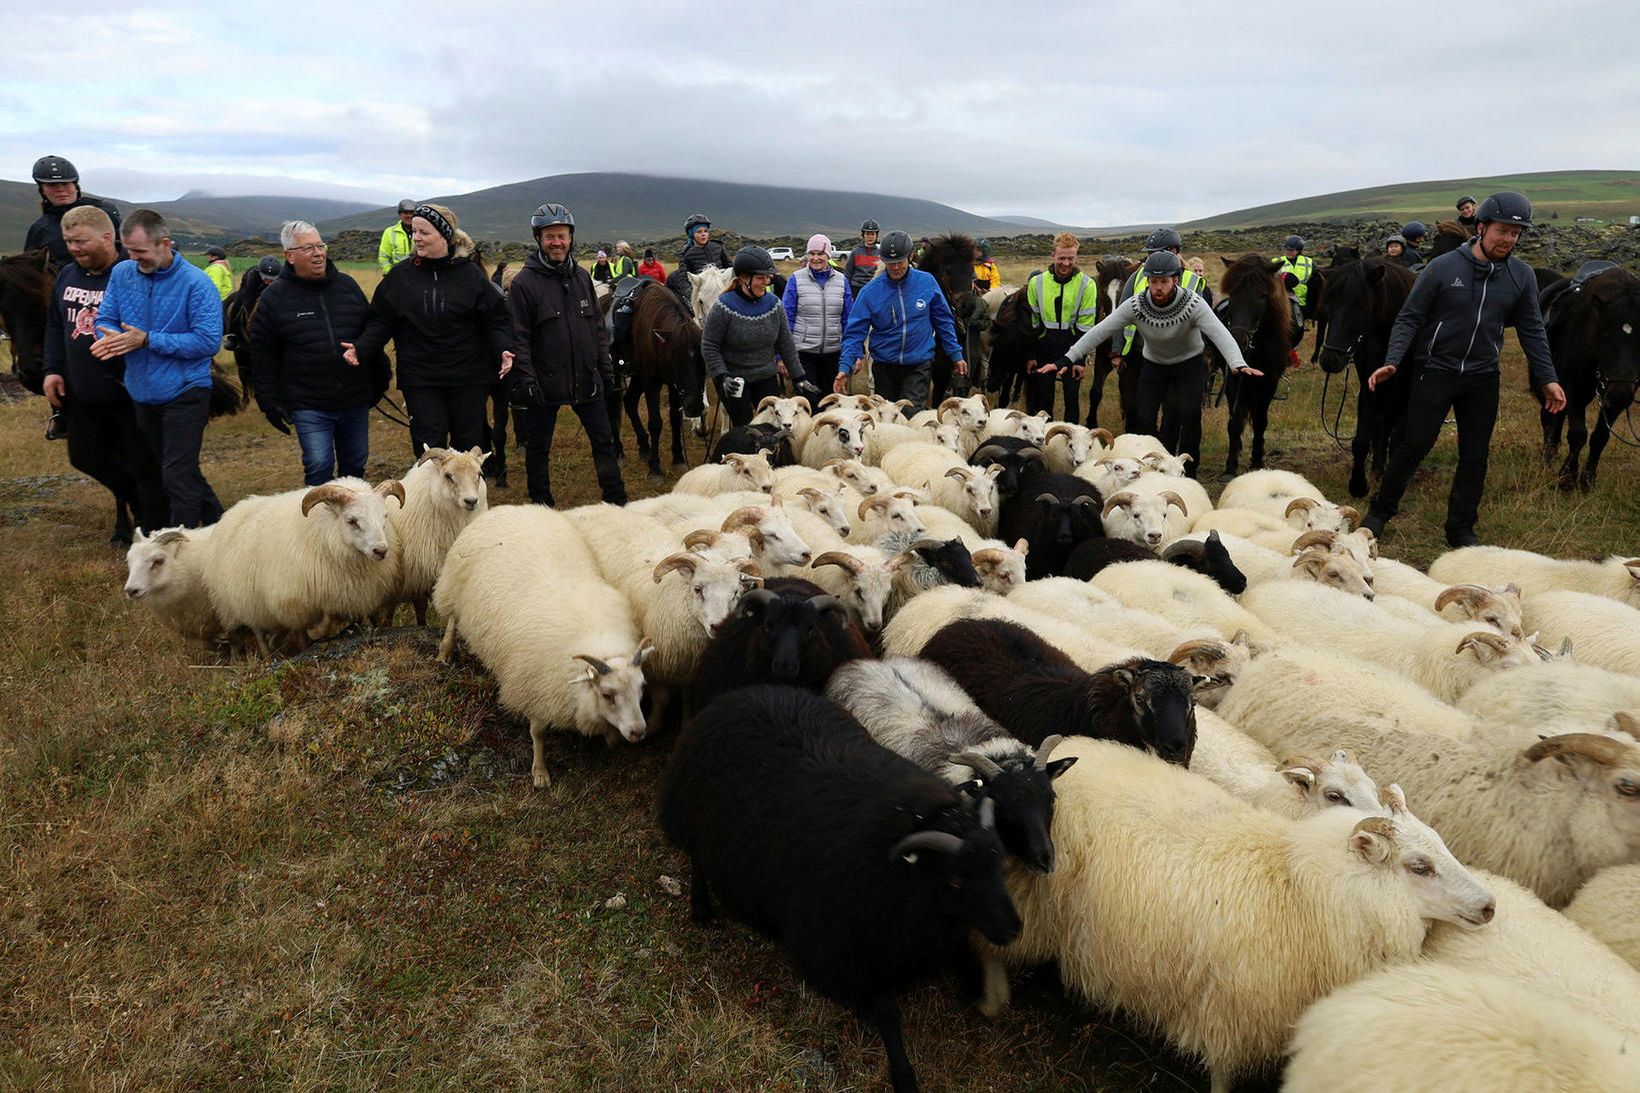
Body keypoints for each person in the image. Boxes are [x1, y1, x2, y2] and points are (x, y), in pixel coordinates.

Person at [1361, 192, 1567, 547]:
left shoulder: (1521, 276)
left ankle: (1460, 528)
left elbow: (1533, 329)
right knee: (1414, 445)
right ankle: (1378, 513)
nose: (1509, 239)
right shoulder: (1443, 267)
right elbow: (1410, 317)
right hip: (1436, 370)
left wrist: (1548, 379)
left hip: (1482, 377)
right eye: (1503, 231)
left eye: (1517, 233)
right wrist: (1393, 360)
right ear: (1482, 227)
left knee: (1475, 454)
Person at [1052, 250, 1262, 476]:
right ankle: (1150, 469)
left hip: (1188, 366)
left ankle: (1188, 472)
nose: (1158, 287)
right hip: (1154, 366)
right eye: (1153, 281)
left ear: (1176, 280)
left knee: (1189, 414)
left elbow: (1220, 333)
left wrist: (1237, 362)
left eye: (1164, 281)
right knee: (1144, 418)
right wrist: (1068, 357)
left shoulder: (1193, 304)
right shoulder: (1137, 304)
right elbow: (1100, 331)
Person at [88, 209, 225, 527]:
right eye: (129, 251)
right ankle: (224, 527)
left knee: (176, 476)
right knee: (175, 470)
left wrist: (147, 340)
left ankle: (182, 552)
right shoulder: (122, 273)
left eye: (140, 251)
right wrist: (110, 339)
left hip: (187, 390)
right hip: (142, 391)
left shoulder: (197, 284)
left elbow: (207, 343)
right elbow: (105, 318)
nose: (134, 258)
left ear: (165, 243)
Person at [345, 203, 514, 455]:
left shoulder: (470, 275)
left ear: (444, 235)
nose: (416, 238)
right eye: (414, 231)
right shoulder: (401, 277)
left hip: (467, 376)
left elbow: (494, 319)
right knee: (428, 446)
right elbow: (381, 319)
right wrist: (362, 347)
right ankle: (429, 495)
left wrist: (503, 348)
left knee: (467, 448)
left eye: (424, 232)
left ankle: (464, 495)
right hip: (420, 377)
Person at [42, 205, 167, 545]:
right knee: (84, 456)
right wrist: (52, 369)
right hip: (82, 392)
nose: (74, 248)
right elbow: (56, 326)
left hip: (131, 391)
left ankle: (153, 530)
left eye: (81, 241)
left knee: (143, 463)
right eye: (68, 241)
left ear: (108, 237)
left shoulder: (133, 274)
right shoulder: (67, 276)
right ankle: (136, 500)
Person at [506, 203, 627, 508]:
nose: (556, 242)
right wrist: (528, 379)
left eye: (561, 235)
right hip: (544, 379)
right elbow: (519, 337)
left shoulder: (582, 278)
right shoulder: (524, 284)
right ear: (539, 240)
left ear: (571, 238)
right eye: (549, 237)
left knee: (603, 441)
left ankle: (616, 500)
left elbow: (598, 328)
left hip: (587, 376)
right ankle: (541, 505)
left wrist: (606, 368)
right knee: (538, 447)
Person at [249, 222, 387, 486]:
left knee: (355, 466)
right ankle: (316, 526)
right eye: (308, 248)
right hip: (308, 403)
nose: (318, 253)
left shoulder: (347, 286)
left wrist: (379, 378)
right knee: (318, 466)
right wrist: (269, 402)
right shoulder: (274, 298)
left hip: (354, 398)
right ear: (289, 255)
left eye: (320, 245)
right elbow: (263, 356)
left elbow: (370, 334)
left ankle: (350, 525)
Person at [837, 230, 966, 408]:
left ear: (910, 256)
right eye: (890, 263)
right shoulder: (870, 292)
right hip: (884, 367)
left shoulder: (927, 283)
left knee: (910, 414)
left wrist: (956, 355)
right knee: (887, 419)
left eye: (900, 262)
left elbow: (943, 321)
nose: (896, 268)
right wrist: (845, 367)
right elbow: (854, 333)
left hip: (918, 365)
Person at [702, 246, 817, 427]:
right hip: (734, 381)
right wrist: (722, 376)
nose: (766, 282)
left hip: (765, 377)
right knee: (746, 428)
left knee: (771, 427)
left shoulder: (774, 305)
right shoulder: (723, 307)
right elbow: (709, 346)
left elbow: (785, 343)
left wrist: (799, 377)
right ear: (742, 278)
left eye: (768, 277)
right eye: (760, 278)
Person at [1112, 226, 1212, 373]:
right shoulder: (1138, 276)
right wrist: (1116, 351)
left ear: (1173, 252)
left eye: (1154, 253)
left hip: (1179, 359)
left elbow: (1202, 322)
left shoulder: (1192, 281)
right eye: (1149, 254)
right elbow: (1120, 317)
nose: (1150, 258)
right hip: (1138, 355)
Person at [1023, 232, 1100, 419]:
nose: (1066, 263)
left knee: (1072, 400)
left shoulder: (1087, 284)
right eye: (1062, 258)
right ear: (1053, 255)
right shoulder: (1036, 283)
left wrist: (1080, 362)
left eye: (1071, 258)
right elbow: (1032, 323)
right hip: (1043, 348)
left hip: (1072, 348)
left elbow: (1086, 326)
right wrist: (1031, 355)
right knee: (1043, 402)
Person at [782, 235, 853, 396]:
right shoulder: (796, 280)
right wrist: (781, 356)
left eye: (820, 254)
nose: (815, 258)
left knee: (832, 404)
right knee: (808, 404)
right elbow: (786, 319)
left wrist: (853, 352)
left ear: (828, 255)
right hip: (804, 354)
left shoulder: (842, 281)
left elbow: (848, 320)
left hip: (834, 354)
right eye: (811, 253)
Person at [24, 155, 122, 265]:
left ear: (75, 186)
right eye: (51, 185)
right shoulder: (40, 229)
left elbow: (127, 249)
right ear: (42, 191)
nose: (60, 189)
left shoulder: (104, 212)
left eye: (65, 183)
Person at [377, 199, 416, 275]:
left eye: (411, 213)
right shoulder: (389, 232)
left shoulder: (423, 231)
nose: (409, 216)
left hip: (419, 275)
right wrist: (390, 273)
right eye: (405, 213)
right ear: (399, 214)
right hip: (398, 275)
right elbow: (383, 256)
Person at [843, 218, 882, 292]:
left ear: (876, 235)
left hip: (873, 288)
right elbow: (848, 273)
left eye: (872, 234)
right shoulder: (855, 252)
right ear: (863, 235)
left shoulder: (880, 254)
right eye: (867, 234)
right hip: (856, 288)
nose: (870, 237)